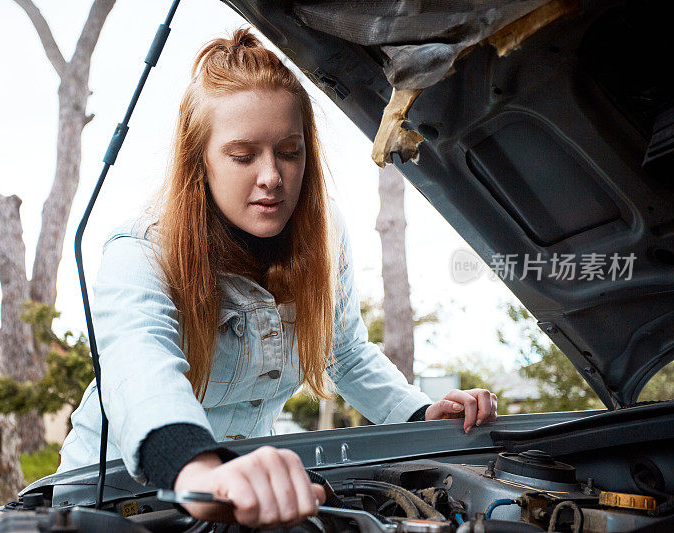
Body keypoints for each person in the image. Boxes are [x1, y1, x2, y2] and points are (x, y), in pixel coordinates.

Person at [58, 28, 498, 529]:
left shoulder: (323, 236)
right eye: (243, 156)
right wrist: (200, 470)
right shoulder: (140, 251)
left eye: (289, 151)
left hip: (243, 496)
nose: (272, 176)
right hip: (112, 500)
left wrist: (421, 416)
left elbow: (345, 351)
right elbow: (141, 370)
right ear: (198, 162)